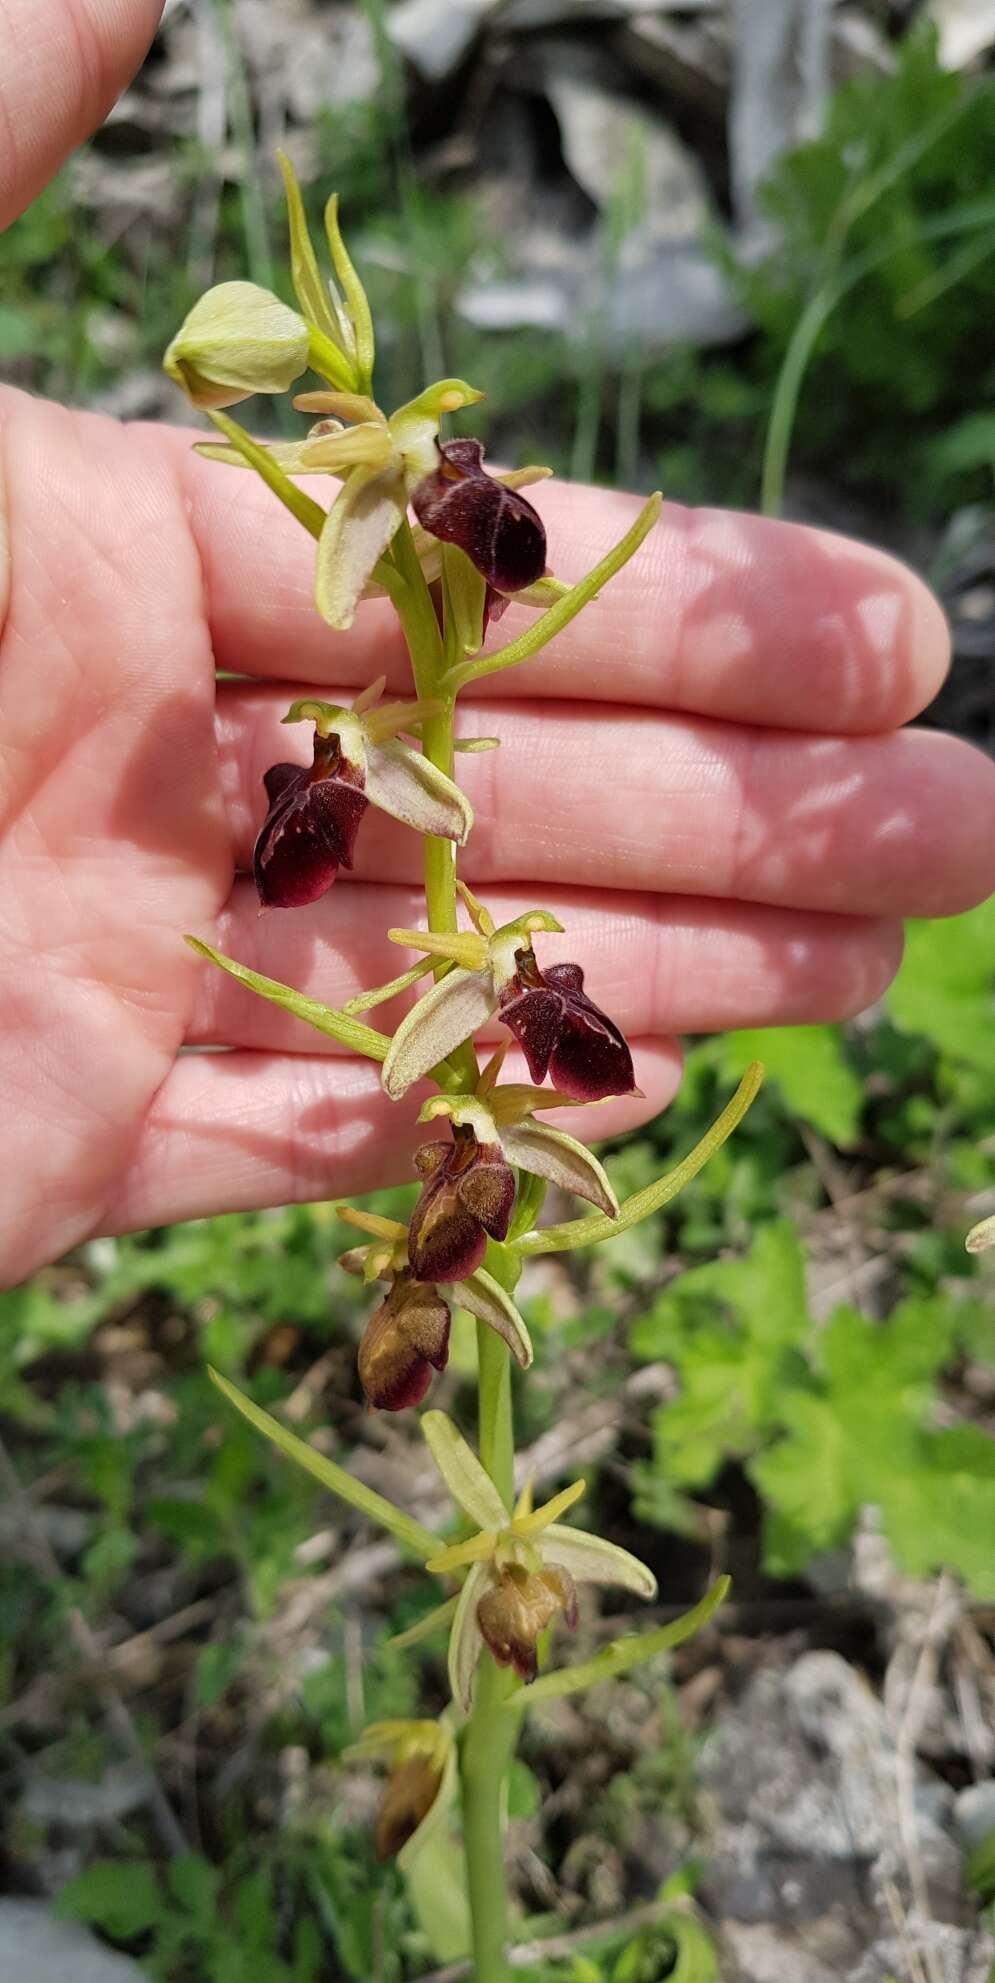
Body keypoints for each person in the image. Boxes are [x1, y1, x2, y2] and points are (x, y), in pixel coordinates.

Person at [1, 0, 993, 1293]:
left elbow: (435, 769)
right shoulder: (366, 539)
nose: (436, 481)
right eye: (420, 473)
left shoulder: (422, 549)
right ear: (375, 468)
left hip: (461, 974)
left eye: (445, 465)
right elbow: (350, 595)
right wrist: (365, 750)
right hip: (428, 916)